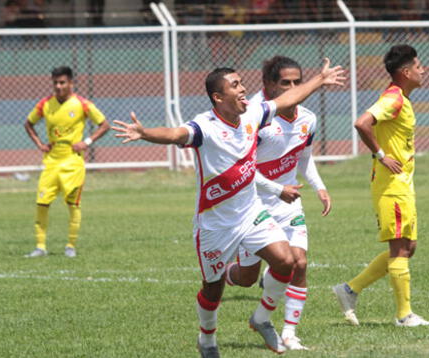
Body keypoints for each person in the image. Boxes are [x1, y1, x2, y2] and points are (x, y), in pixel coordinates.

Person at [112, 59, 344, 357]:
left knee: (287, 262)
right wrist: (145, 134)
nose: (243, 88)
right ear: (218, 97)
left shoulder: (253, 115)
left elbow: (288, 98)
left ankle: (261, 319)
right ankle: (207, 339)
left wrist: (319, 79)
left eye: (241, 82)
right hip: (215, 225)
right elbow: (175, 134)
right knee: (212, 290)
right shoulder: (204, 127)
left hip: (252, 214)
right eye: (235, 85)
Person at [223, 56, 332, 350]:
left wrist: (319, 187)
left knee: (299, 263)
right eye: (286, 82)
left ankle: (288, 333)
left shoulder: (308, 118)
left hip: (288, 202)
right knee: (247, 278)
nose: (293, 87)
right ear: (269, 85)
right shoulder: (252, 118)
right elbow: (242, 168)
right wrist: (276, 187)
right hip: (251, 204)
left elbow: (303, 158)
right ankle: (225, 273)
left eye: (298, 81)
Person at [333, 45, 429, 327]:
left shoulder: (402, 98)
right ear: (406, 72)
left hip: (402, 184)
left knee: (409, 246)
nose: (423, 70)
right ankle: (404, 316)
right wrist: (382, 155)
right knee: (400, 249)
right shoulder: (393, 98)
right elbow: (362, 123)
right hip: (391, 185)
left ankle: (349, 290)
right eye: (419, 66)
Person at [24, 66, 110, 258]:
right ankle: (40, 246)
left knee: (72, 203)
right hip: (52, 161)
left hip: (73, 162)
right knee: (42, 202)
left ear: (71, 83)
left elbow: (105, 125)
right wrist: (40, 144)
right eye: (55, 82)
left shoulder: (82, 104)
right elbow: (28, 123)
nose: (58, 86)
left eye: (62, 82)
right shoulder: (45, 104)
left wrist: (86, 142)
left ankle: (70, 246)